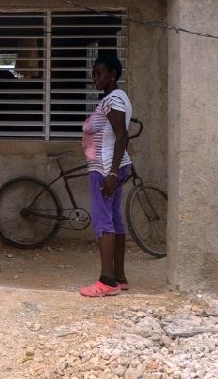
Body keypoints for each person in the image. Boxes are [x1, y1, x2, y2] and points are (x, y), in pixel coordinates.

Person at [79, 55, 132, 297]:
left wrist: (111, 172)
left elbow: (122, 136)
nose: (95, 78)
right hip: (111, 166)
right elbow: (117, 135)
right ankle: (119, 277)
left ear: (113, 74)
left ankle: (106, 281)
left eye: (100, 73)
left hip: (104, 168)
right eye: (94, 74)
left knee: (103, 221)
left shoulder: (114, 100)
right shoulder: (114, 99)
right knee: (114, 219)